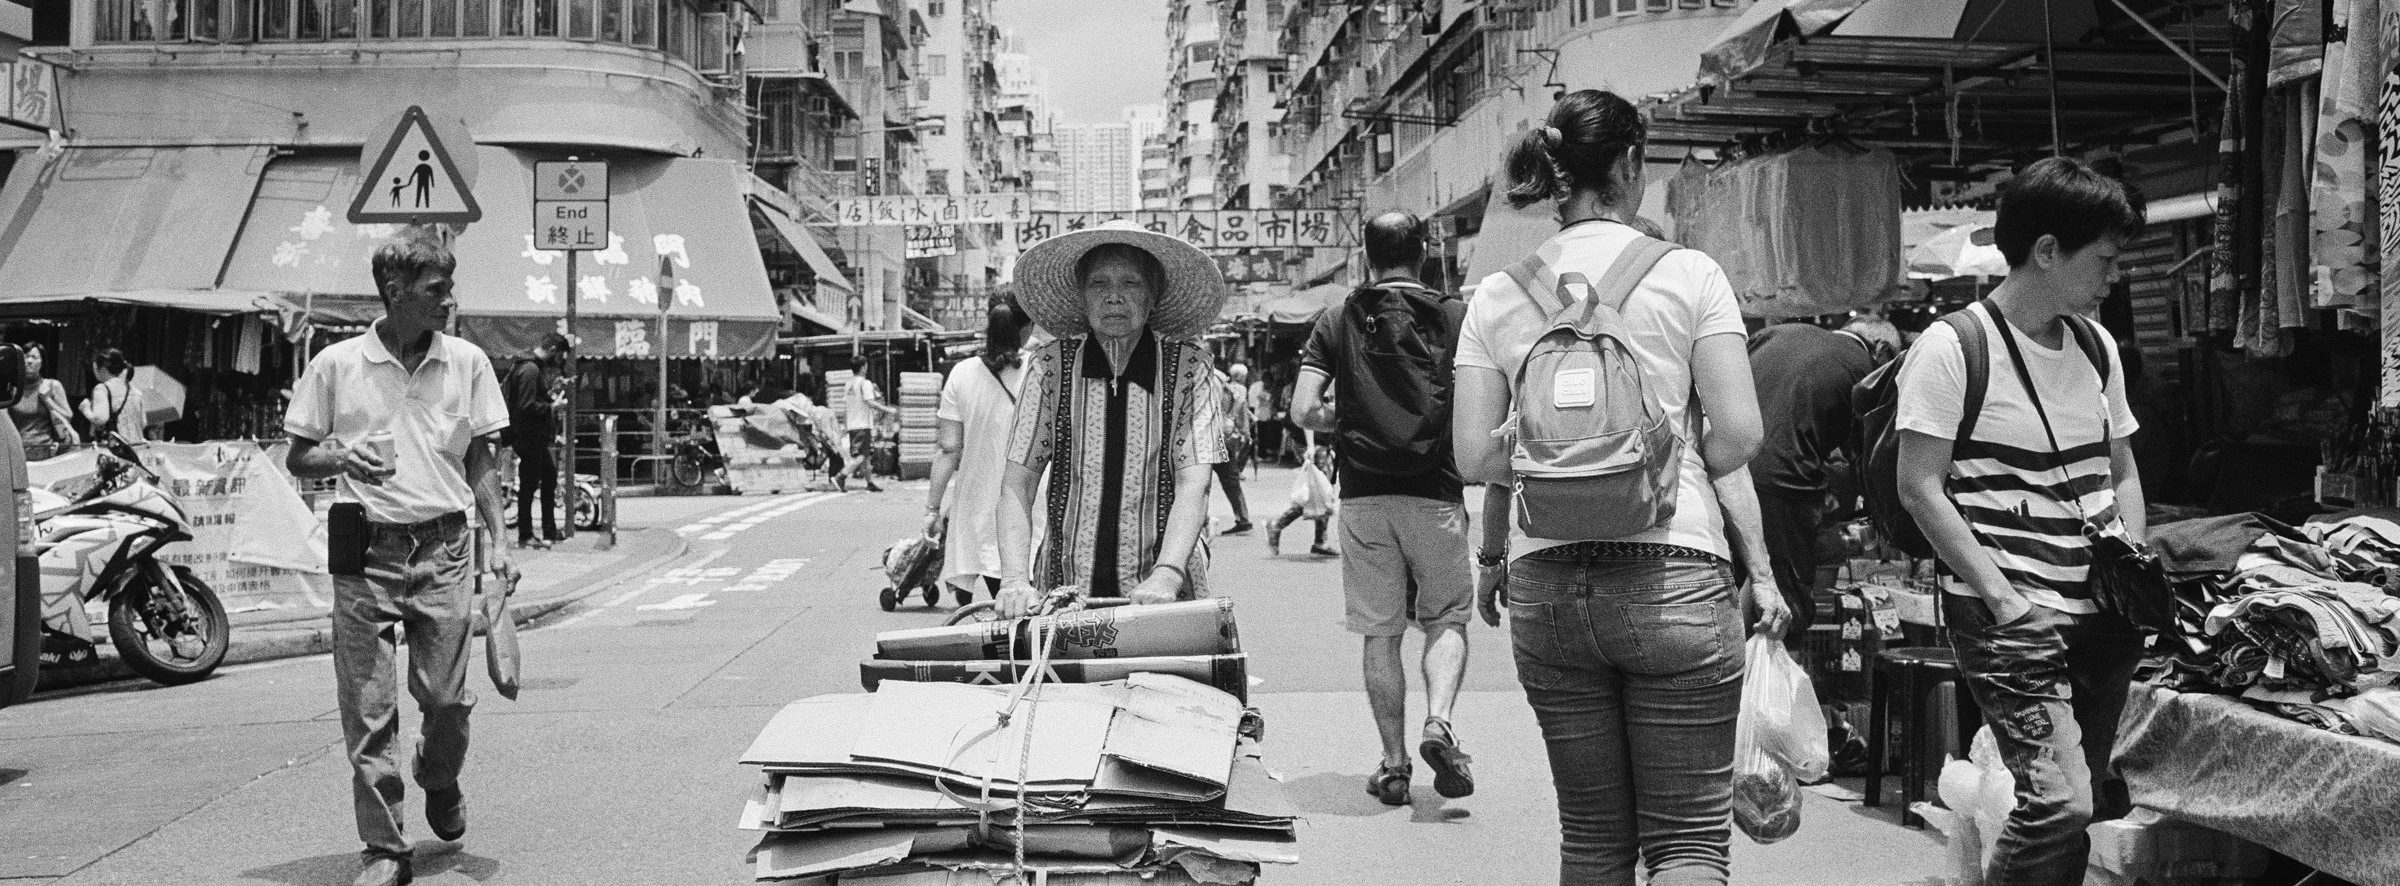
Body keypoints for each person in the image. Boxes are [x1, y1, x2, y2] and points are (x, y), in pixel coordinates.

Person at [1450, 90, 1790, 886]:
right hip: (1675, 573)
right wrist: (1662, 453)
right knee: (1687, 846)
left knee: (1595, 841)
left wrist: (1554, 462)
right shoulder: (1689, 274)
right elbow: (1740, 435)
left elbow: (1473, 456)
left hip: (1547, 587)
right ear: (1631, 165)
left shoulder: (1497, 297)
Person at [1894, 157, 2148, 886]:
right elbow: (1920, 488)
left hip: (2102, 613)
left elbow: (2121, 467)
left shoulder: (2097, 347)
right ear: (2046, 251)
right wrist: (2003, 598)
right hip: (2011, 614)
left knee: (2083, 803)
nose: (2116, 275)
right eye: (2104, 258)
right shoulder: (1953, 347)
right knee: (2059, 802)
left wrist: (2133, 555)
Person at [284, 230, 513, 886]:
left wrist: (498, 542)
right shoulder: (336, 365)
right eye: (436, 289)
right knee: (367, 705)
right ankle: (385, 849)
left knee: (444, 699)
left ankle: (439, 777)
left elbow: (480, 460)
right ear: (395, 291)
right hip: (363, 548)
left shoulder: (467, 362)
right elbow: (299, 452)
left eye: (448, 286)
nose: (449, 300)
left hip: (444, 547)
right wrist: (340, 455)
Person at [1291, 209, 1477, 806]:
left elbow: (1302, 410)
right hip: (1437, 492)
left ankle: (1394, 768)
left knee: (1380, 633)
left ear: (1366, 256)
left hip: (1366, 497)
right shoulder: (1454, 316)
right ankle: (1439, 721)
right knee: (1445, 617)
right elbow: (1480, 401)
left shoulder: (1339, 317)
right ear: (1421, 251)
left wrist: (1349, 425)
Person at [994, 219, 1229, 618]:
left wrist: (1168, 574)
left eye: (1131, 284)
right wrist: (1014, 580)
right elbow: (1019, 482)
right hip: (1064, 588)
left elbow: (1195, 482)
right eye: (1099, 284)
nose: (1114, 297)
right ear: (1082, 297)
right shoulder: (1049, 367)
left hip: (1163, 595)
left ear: (1154, 295)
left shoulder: (1190, 368)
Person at [1746, 316, 1902, 637]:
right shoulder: (1867, 372)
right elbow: (1869, 461)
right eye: (1894, 362)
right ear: (1882, 348)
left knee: (1736, 584)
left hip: (1725, 472)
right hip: (1785, 485)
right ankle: (1782, 676)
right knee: (1786, 597)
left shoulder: (1778, 333)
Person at [928, 295, 1033, 599]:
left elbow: (949, 450)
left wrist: (932, 510)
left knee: (1000, 593)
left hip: (979, 505)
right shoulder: (1042, 368)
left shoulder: (961, 373)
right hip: (1034, 501)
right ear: (1028, 326)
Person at [504, 333, 569, 549]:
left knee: (548, 476)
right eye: (558, 355)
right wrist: (552, 407)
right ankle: (526, 534)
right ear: (551, 348)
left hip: (531, 435)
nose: (558, 361)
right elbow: (526, 405)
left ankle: (548, 529)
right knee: (530, 484)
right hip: (528, 435)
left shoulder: (527, 366)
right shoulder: (530, 369)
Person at [1266, 433, 1338, 558]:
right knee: (1319, 494)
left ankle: (1320, 541)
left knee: (1322, 492)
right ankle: (1277, 525)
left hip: (1322, 443)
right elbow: (1307, 415)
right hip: (1314, 444)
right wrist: (1310, 445)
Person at [9, 344, 80, 461]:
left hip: (45, 451)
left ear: (42, 363)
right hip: (16, 451)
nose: (29, 361)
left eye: (34, 357)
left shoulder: (52, 386)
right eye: (26, 356)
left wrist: (47, 400)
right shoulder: (12, 388)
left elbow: (68, 416)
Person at [836, 354, 895, 493]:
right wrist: (887, 409)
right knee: (861, 456)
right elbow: (870, 402)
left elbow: (846, 406)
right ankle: (841, 476)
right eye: (866, 365)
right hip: (862, 424)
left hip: (853, 424)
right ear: (863, 367)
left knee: (866, 456)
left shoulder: (848, 384)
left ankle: (870, 483)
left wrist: (845, 425)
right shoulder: (865, 383)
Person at [1213, 363, 1256, 534]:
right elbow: (1240, 399)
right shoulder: (1220, 377)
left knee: (1198, 480)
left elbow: (1240, 399)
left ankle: (1201, 523)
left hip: (1211, 435)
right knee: (1230, 479)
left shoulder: (1211, 376)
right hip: (1222, 435)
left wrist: (1229, 418)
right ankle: (1243, 519)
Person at [80, 347, 148, 443]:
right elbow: (144, 423)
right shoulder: (136, 391)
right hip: (137, 448)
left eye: (94, 368)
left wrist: (85, 409)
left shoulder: (102, 389)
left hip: (118, 451)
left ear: (103, 369)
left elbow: (100, 418)